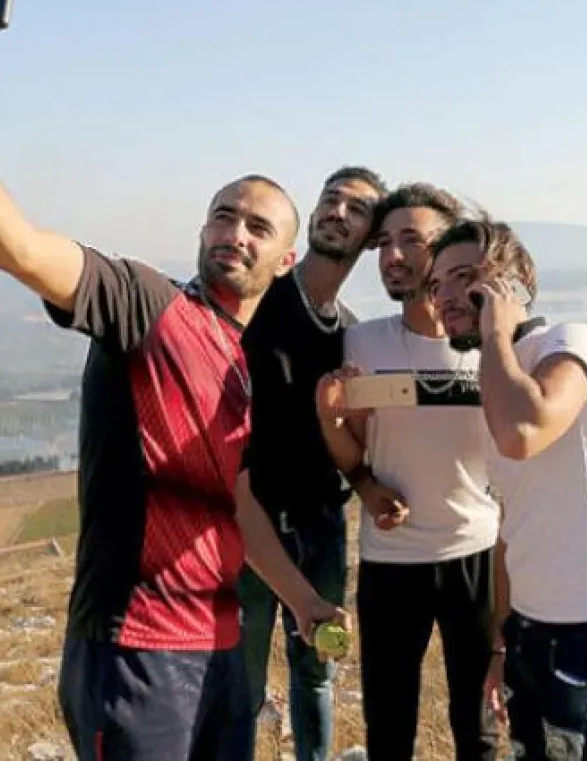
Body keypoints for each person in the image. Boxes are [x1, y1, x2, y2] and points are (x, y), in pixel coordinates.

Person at [0, 0, 348, 761]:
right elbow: (18, 246)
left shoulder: (247, 362)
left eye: (258, 227)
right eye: (223, 215)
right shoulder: (144, 303)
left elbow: (237, 501)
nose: (236, 233)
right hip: (134, 652)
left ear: (285, 257)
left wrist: (300, 599)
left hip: (224, 649)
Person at [427, 216, 587, 761]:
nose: (445, 297)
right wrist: (501, 642)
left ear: (512, 282)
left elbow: (523, 432)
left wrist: (495, 334)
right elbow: (514, 520)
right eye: (435, 285)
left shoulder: (570, 343)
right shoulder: (494, 377)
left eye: (464, 277)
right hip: (529, 630)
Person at [315, 184, 502, 761]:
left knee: (480, 727)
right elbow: (353, 448)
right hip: (391, 562)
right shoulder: (362, 341)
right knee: (389, 729)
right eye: (384, 243)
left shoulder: (491, 344)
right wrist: (363, 478)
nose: (392, 256)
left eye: (411, 241)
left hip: (476, 553)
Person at [235, 165, 385, 761]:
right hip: (249, 528)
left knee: (318, 668)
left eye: (357, 208)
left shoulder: (349, 334)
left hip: (322, 527)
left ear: (371, 237)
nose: (338, 212)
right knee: (240, 682)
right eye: (331, 199)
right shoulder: (259, 302)